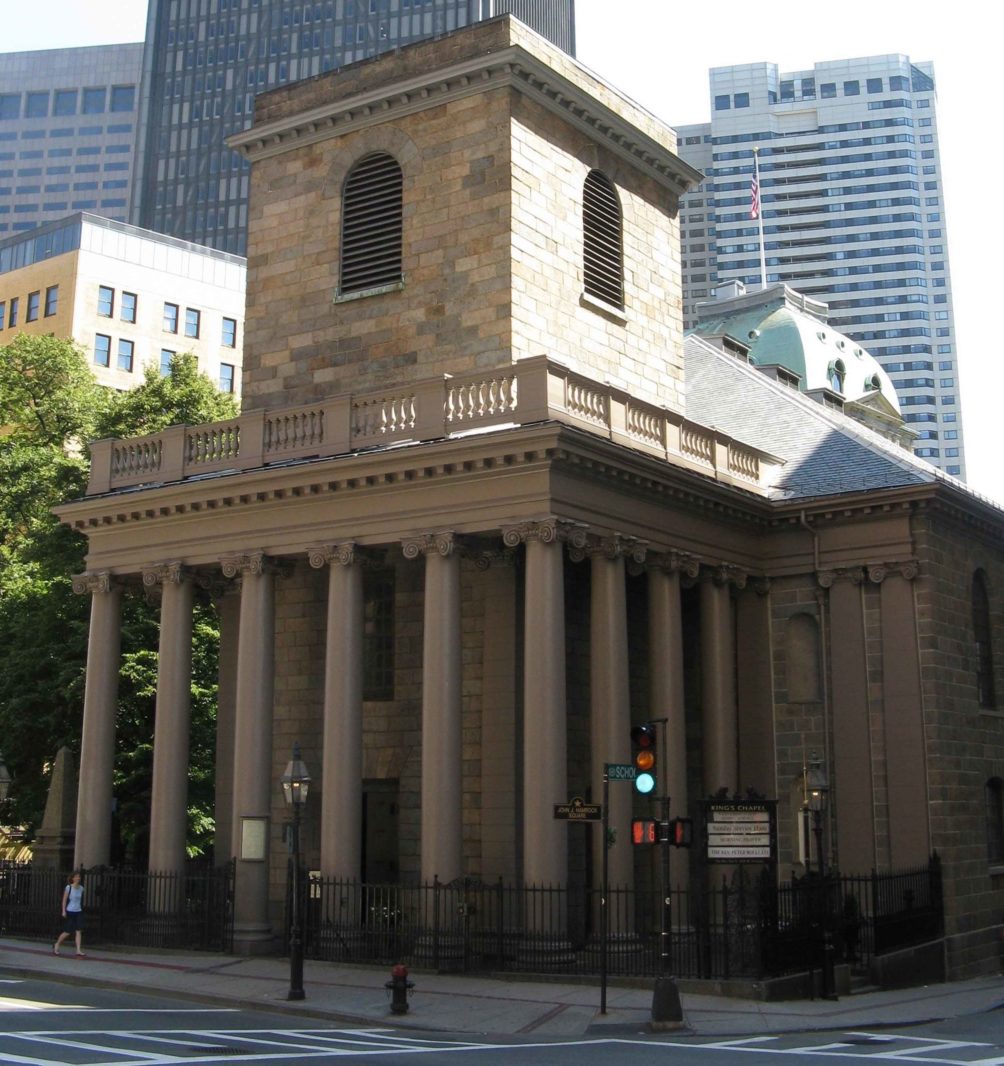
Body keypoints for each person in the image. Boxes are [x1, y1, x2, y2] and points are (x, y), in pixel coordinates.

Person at [53, 871, 85, 957]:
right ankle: (57, 944)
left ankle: (78, 949)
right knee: (67, 931)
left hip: (78, 911)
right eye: (76, 877)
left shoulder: (81, 888)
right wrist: (63, 910)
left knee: (78, 931)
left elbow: (80, 900)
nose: (78, 878)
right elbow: (64, 900)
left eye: (79, 877)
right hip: (70, 911)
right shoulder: (68, 888)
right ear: (73, 878)